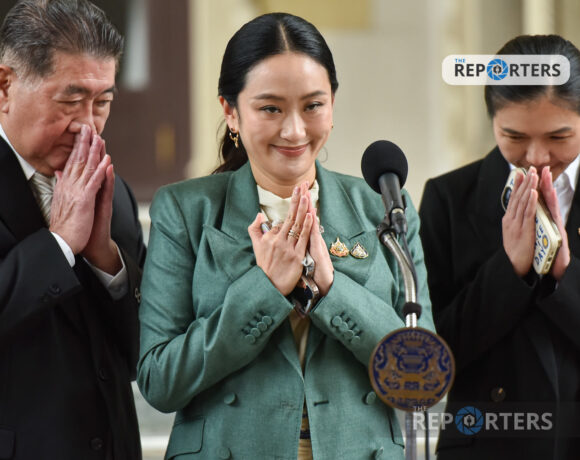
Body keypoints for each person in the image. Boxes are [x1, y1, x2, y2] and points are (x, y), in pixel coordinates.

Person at [137, 12, 434, 460]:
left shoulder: (383, 207)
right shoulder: (185, 210)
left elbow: (423, 380)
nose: (294, 130)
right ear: (230, 111)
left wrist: (331, 290)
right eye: (270, 108)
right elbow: (159, 381)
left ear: (332, 105)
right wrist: (264, 289)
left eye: (313, 106)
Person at [419, 34, 580, 459]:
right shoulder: (448, 198)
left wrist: (564, 277)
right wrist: (509, 270)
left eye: (559, 136)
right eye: (514, 136)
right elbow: (435, 355)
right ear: (492, 121)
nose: (537, 156)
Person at [0, 1, 146, 459]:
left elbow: (142, 353)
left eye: (102, 103)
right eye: (70, 101)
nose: (88, 125)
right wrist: (59, 242)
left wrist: (106, 261)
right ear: (4, 86)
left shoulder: (115, 195)